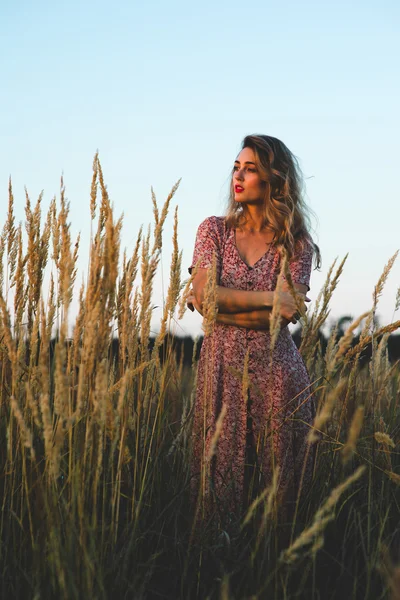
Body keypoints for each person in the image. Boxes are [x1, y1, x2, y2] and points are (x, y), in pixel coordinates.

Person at [187, 134, 321, 532]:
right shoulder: (213, 230)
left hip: (278, 378)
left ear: (273, 181)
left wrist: (223, 304)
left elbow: (286, 312)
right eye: (236, 167)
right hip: (219, 375)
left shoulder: (296, 243)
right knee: (216, 498)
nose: (238, 176)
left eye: (250, 169)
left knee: (276, 503)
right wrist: (268, 299)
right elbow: (206, 298)